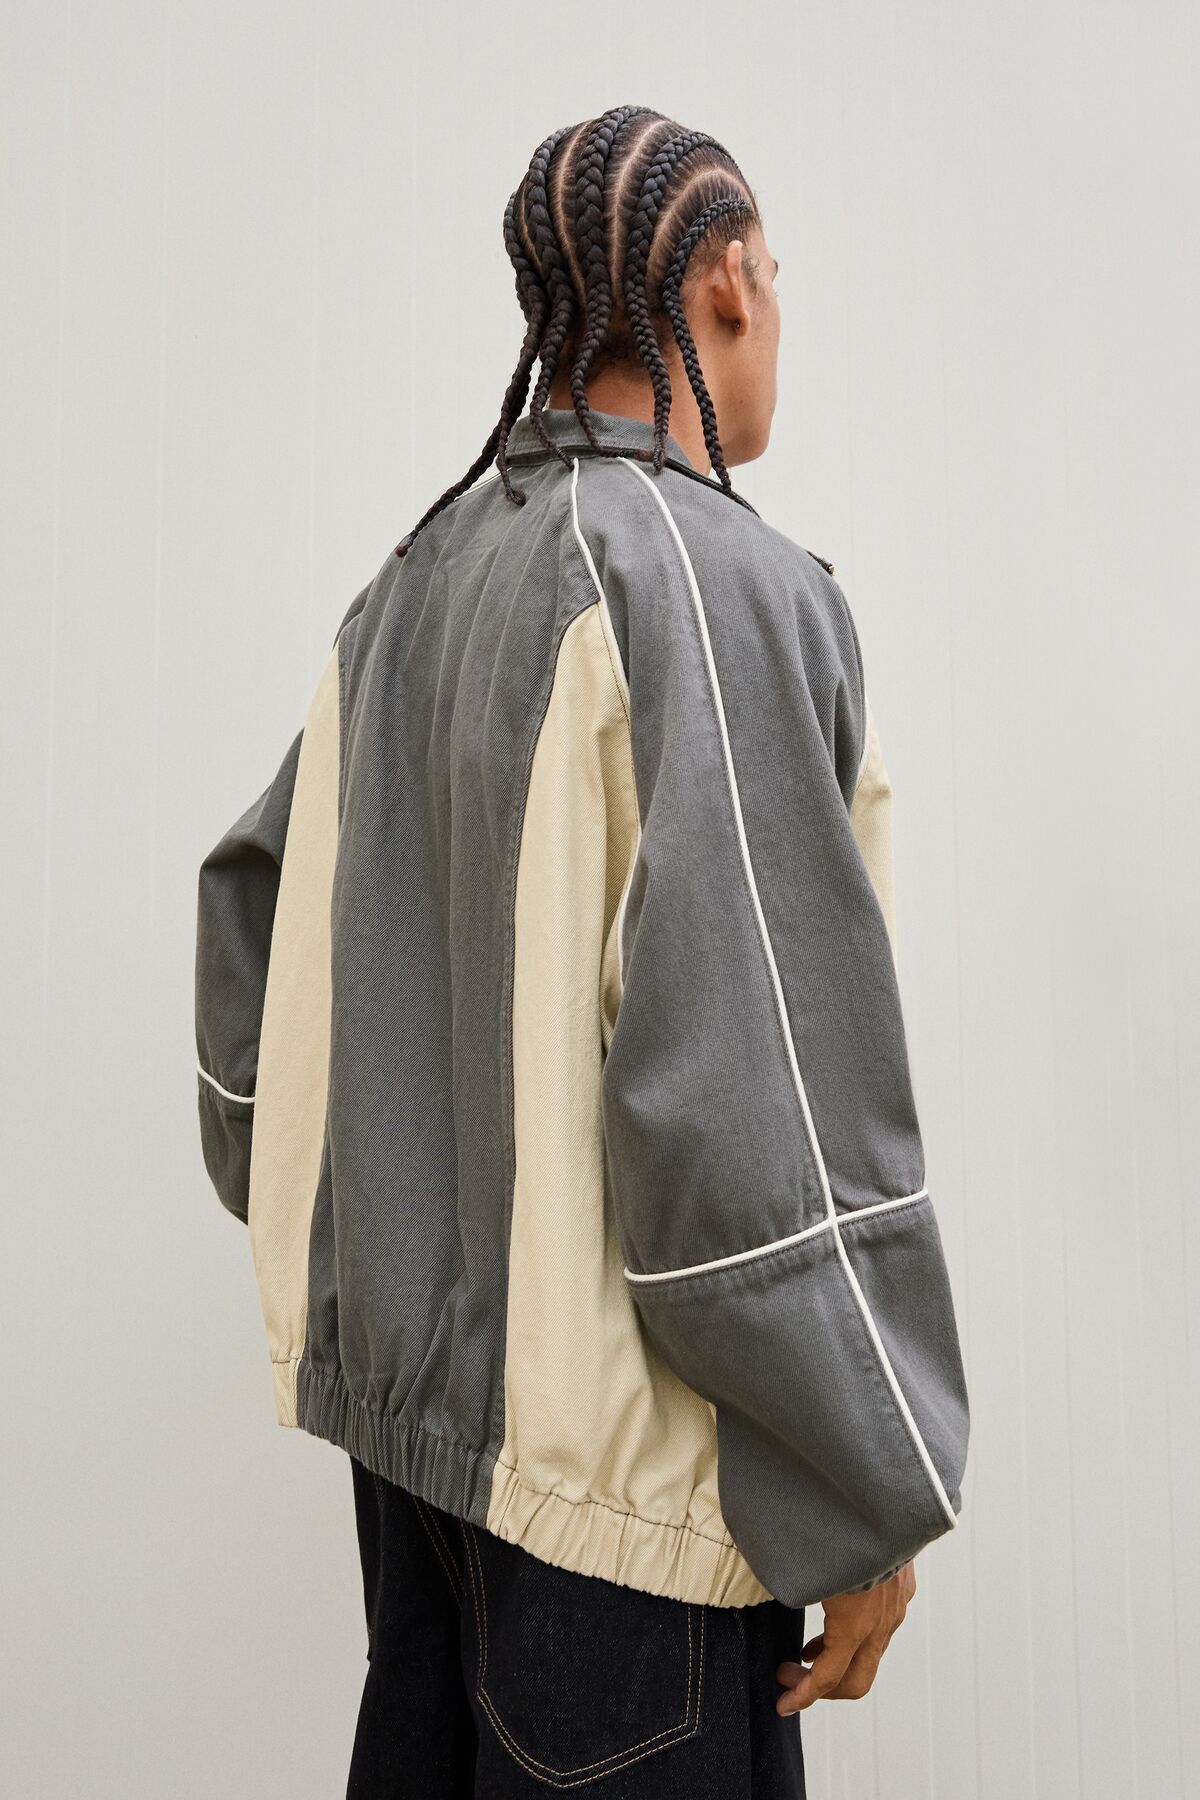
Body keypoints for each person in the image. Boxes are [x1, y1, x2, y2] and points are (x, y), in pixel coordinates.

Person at [193, 106, 969, 1798]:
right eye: (776, 275)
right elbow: (758, 1096)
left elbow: (255, 944)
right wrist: (864, 1489)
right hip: (631, 1513)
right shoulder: (716, 587)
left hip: (422, 1478)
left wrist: (385, 1253)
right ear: (727, 282)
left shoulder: (418, 584)